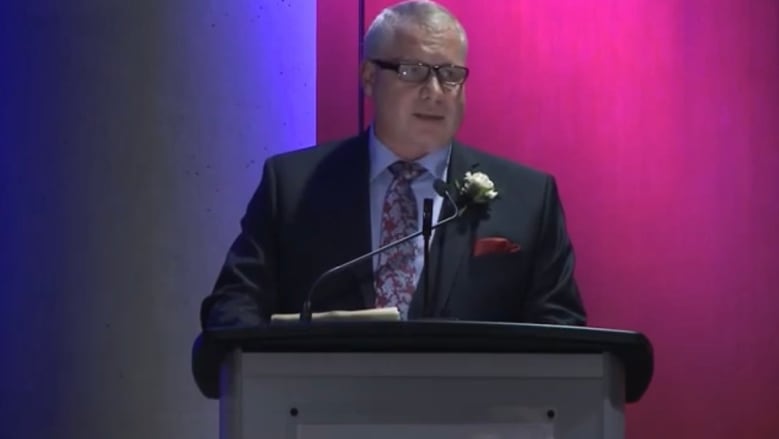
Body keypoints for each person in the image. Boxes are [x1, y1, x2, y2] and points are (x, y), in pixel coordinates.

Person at [200, 0, 586, 329]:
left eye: (450, 75)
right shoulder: (292, 186)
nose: (434, 93)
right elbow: (235, 306)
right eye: (412, 71)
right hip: (323, 410)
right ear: (369, 78)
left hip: (477, 412)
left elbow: (560, 328)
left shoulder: (529, 199)